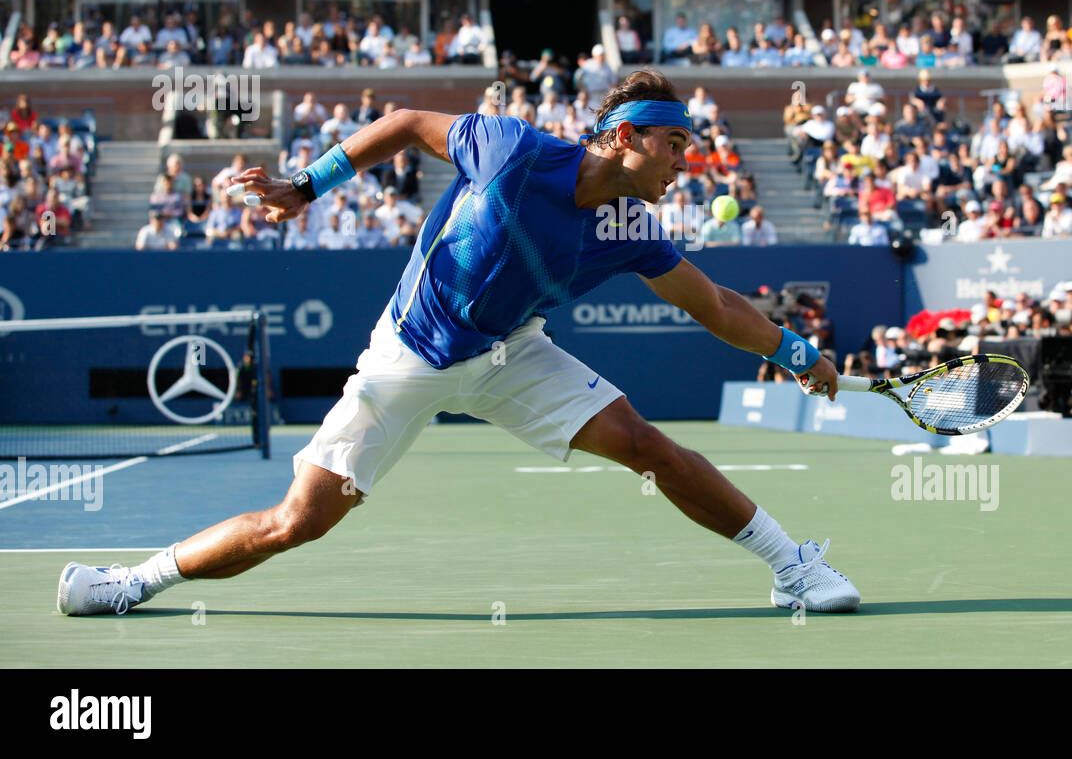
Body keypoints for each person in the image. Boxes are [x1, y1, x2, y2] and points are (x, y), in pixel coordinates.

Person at [58, 71, 859, 617]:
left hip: (512, 353)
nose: (687, 161)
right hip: (410, 352)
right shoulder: (513, 150)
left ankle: (796, 567)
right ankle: (131, 581)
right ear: (622, 137)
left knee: (651, 446)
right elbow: (405, 124)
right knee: (296, 520)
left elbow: (714, 303)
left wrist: (796, 352)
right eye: (674, 144)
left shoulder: (632, 229)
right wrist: (305, 187)